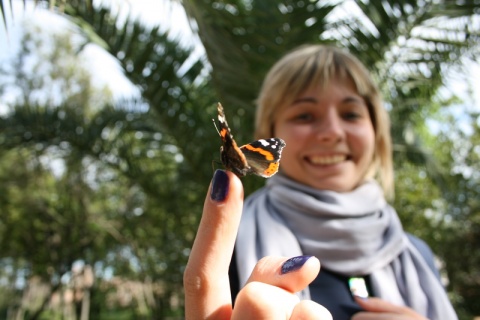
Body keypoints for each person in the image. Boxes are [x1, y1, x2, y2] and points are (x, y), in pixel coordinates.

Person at [184, 45, 458, 319]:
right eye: (304, 115)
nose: (331, 132)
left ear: (377, 131)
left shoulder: (418, 254)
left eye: (351, 114)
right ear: (270, 131)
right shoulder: (229, 245)